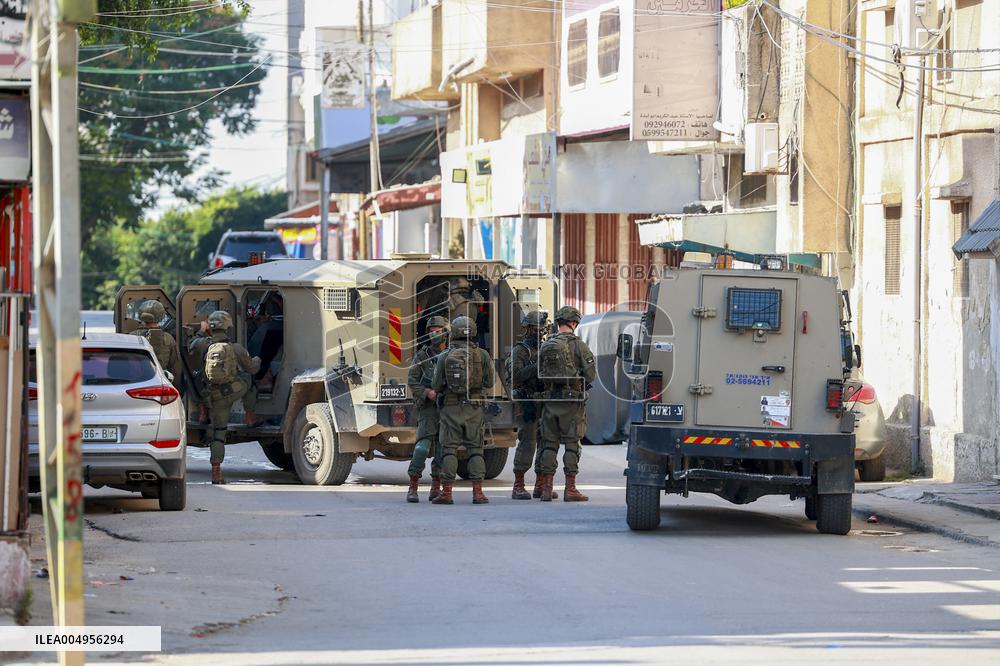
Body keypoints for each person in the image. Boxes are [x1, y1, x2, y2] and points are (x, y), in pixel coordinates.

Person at [188, 310, 261, 484]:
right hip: (232, 391)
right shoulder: (235, 348)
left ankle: (216, 473)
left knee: (219, 433)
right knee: (249, 381)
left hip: (211, 396)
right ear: (227, 327)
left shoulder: (202, 344)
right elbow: (252, 368)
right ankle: (250, 416)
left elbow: (189, 345)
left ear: (211, 328)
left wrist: (200, 330)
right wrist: (258, 359)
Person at [430, 315, 495, 505]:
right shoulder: (482, 354)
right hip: (474, 408)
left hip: (450, 408)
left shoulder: (444, 356)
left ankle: (447, 493)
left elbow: (436, 384)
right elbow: (489, 382)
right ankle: (478, 493)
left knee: (449, 450)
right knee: (476, 450)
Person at [536, 306, 596, 502]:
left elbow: (539, 374)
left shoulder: (546, 345)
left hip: (550, 401)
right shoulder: (579, 346)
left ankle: (546, 488)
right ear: (574, 323)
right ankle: (570, 489)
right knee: (572, 444)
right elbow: (590, 375)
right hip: (572, 402)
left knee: (549, 444)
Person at [508, 310, 555, 500]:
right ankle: (518, 485)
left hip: (544, 401)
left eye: (541, 329)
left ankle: (540, 483)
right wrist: (537, 366)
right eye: (535, 328)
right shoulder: (520, 351)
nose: (539, 332)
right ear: (527, 329)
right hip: (527, 402)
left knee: (545, 442)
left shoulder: (545, 348)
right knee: (528, 442)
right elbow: (515, 377)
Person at [404, 315, 449, 503]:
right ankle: (413, 485)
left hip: (447, 408)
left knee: (441, 449)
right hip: (428, 408)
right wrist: (427, 393)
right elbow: (412, 380)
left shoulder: (452, 354)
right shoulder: (422, 356)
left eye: (438, 332)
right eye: (431, 332)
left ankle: (435, 487)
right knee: (422, 447)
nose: (434, 335)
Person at [131, 300, 181, 385]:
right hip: (161, 383)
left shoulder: (132, 337)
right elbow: (176, 368)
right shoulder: (169, 338)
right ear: (161, 316)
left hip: (135, 383)